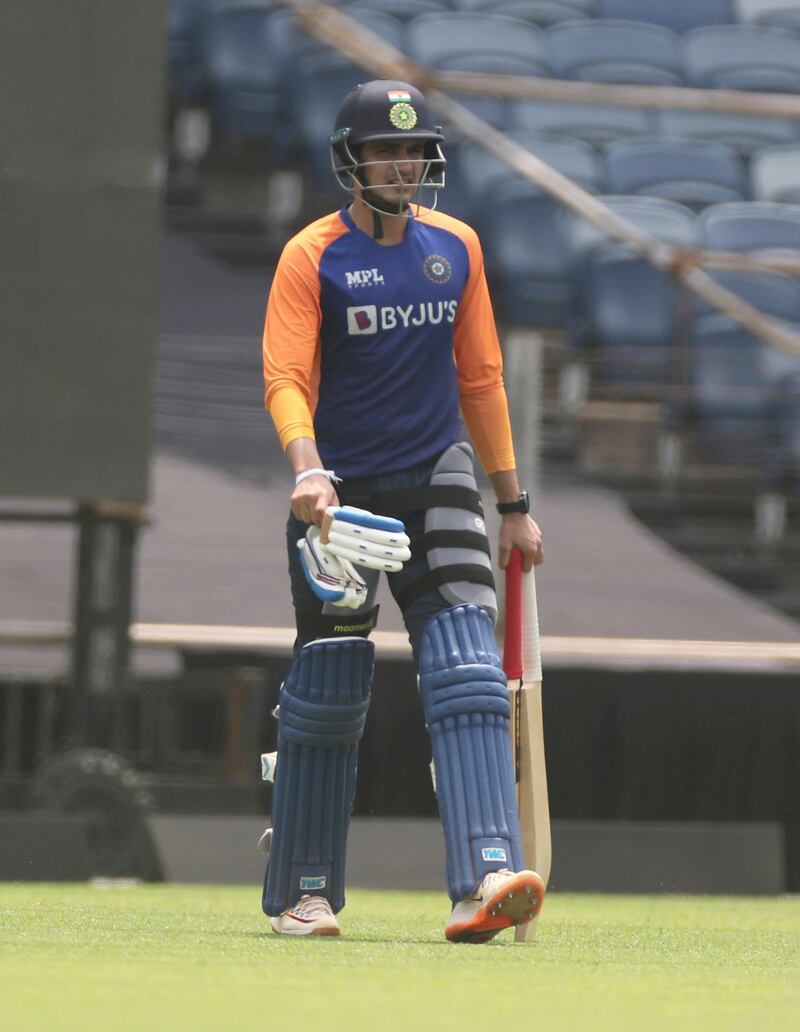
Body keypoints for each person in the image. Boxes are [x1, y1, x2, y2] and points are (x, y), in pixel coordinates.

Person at [260, 78, 544, 943]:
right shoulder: (312, 256)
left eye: (416, 151)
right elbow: (287, 377)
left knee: (465, 669)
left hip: (437, 474)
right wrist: (308, 472)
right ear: (351, 161)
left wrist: (514, 505)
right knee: (331, 687)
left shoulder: (456, 246)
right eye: (387, 149)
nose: (406, 164)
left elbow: (482, 379)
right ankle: (302, 890)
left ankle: (485, 876)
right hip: (339, 496)